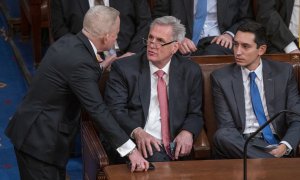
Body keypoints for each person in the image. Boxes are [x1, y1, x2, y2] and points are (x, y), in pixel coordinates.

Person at [5, 6, 149, 179]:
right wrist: (130, 151)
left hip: (36, 132)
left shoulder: (69, 41)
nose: (117, 37)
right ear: (107, 37)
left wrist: (102, 66)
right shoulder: (81, 63)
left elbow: (75, 73)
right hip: (39, 142)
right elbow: (98, 110)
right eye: (117, 33)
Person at [104, 16, 203, 162]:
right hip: (137, 142)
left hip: (174, 144)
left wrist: (187, 132)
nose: (152, 44)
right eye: (151, 38)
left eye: (160, 41)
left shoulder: (190, 71)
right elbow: (115, 111)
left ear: (175, 47)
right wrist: (137, 132)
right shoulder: (124, 68)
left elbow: (195, 113)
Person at [211, 21, 300, 159]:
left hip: (277, 141)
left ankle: (268, 160)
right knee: (221, 136)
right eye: (235, 45)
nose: (238, 52)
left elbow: (296, 117)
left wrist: (284, 146)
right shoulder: (221, 78)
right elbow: (226, 126)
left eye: (245, 46)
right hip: (242, 143)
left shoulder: (283, 72)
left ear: (261, 50)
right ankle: (275, 163)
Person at [152, 0, 253, 55]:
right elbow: (159, 17)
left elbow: (246, 19)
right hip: (183, 41)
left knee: (212, 53)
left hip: (219, 40)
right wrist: (177, 37)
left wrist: (229, 35)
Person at [50, 0, 152, 55]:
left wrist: (132, 52)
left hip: (126, 53)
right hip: (84, 56)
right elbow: (59, 30)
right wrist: (85, 55)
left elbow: (145, 23)